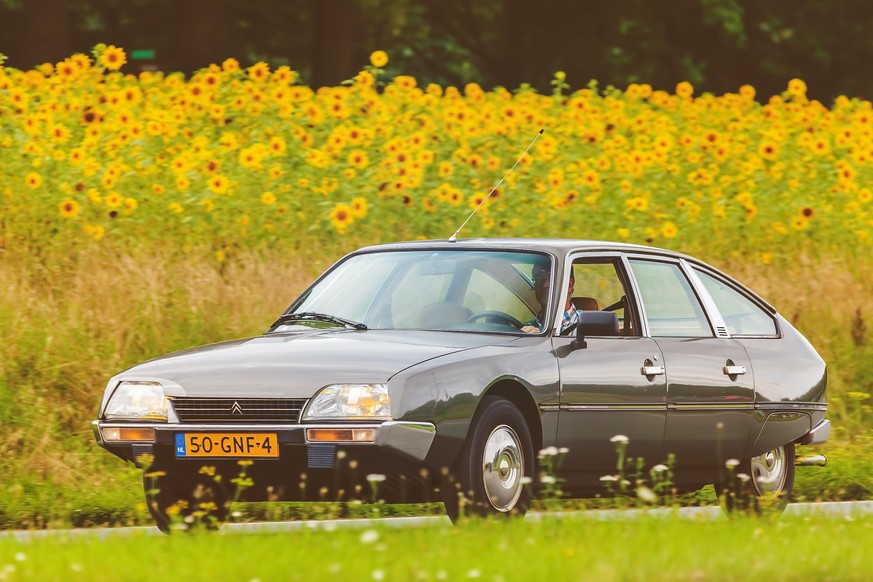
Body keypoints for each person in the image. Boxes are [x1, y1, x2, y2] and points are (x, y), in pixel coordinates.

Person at [521, 261, 579, 334]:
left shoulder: (587, 326)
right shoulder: (524, 329)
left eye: (552, 278)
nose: (544, 285)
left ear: (569, 285)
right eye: (538, 279)